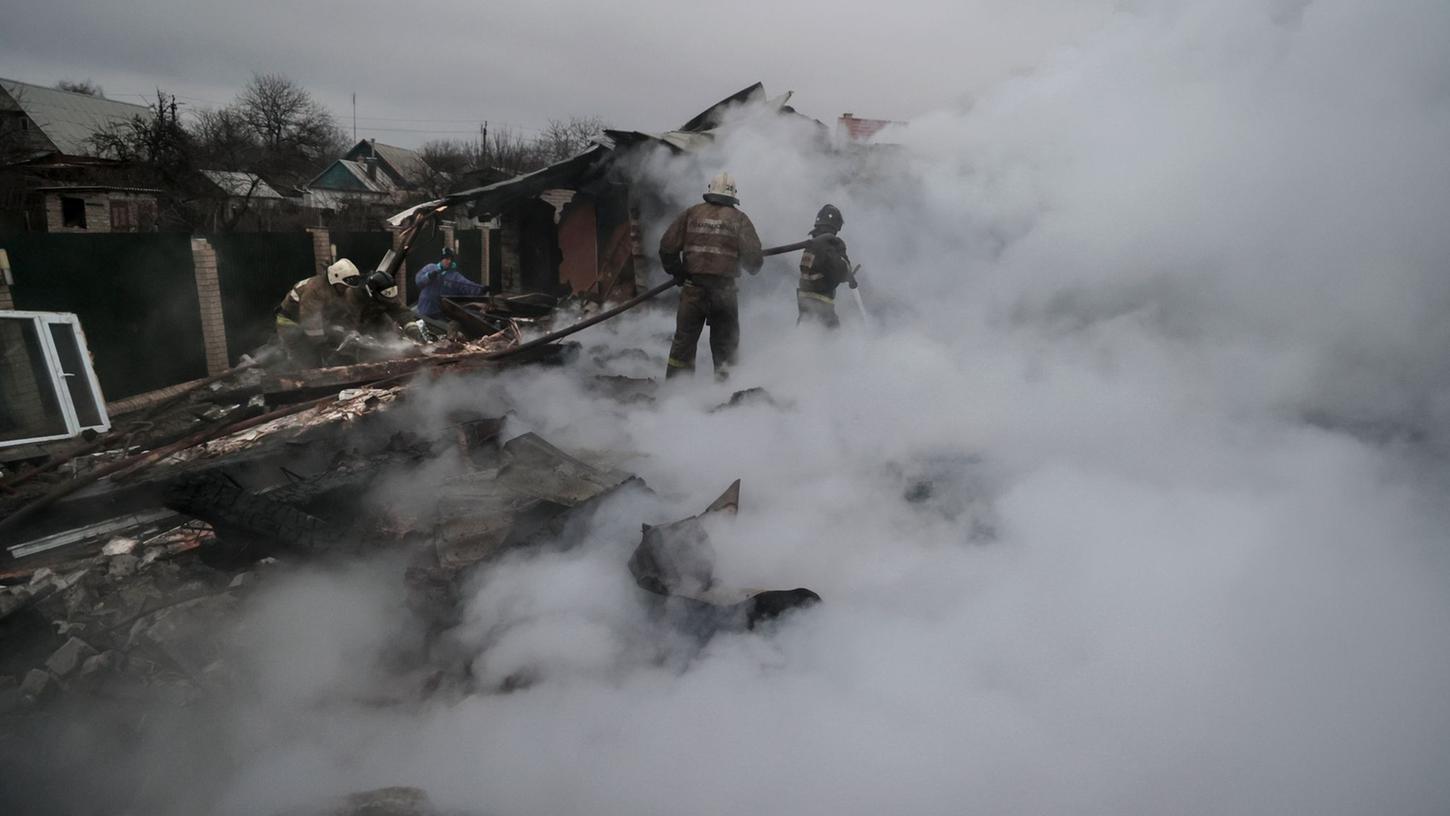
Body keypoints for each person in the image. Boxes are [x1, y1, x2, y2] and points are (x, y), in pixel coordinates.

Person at [658, 171, 764, 380]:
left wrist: (678, 272)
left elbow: (667, 247)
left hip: (693, 291)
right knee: (726, 349)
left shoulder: (691, 214)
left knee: (683, 347)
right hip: (724, 294)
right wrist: (740, 259)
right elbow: (754, 262)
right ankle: (725, 398)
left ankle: (676, 394)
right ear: (733, 194)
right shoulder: (739, 219)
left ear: (710, 190)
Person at [274, 258, 364, 368]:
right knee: (307, 361)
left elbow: (345, 312)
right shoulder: (315, 290)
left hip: (315, 324)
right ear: (334, 279)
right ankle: (295, 378)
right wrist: (323, 346)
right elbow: (310, 321)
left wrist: (348, 332)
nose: (346, 288)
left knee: (329, 351)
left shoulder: (339, 289)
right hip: (290, 324)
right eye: (344, 285)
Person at [795, 204, 855, 329]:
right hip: (822, 310)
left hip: (804, 308)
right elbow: (840, 272)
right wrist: (846, 268)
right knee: (833, 342)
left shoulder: (810, 246)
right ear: (835, 227)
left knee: (804, 342)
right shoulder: (829, 245)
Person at [414, 246, 487, 322]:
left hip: (439, 315)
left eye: (450, 259)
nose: (449, 261)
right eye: (446, 259)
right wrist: (428, 276)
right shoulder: (430, 268)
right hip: (423, 311)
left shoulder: (454, 276)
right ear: (441, 259)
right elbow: (418, 281)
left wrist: (481, 289)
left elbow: (467, 285)